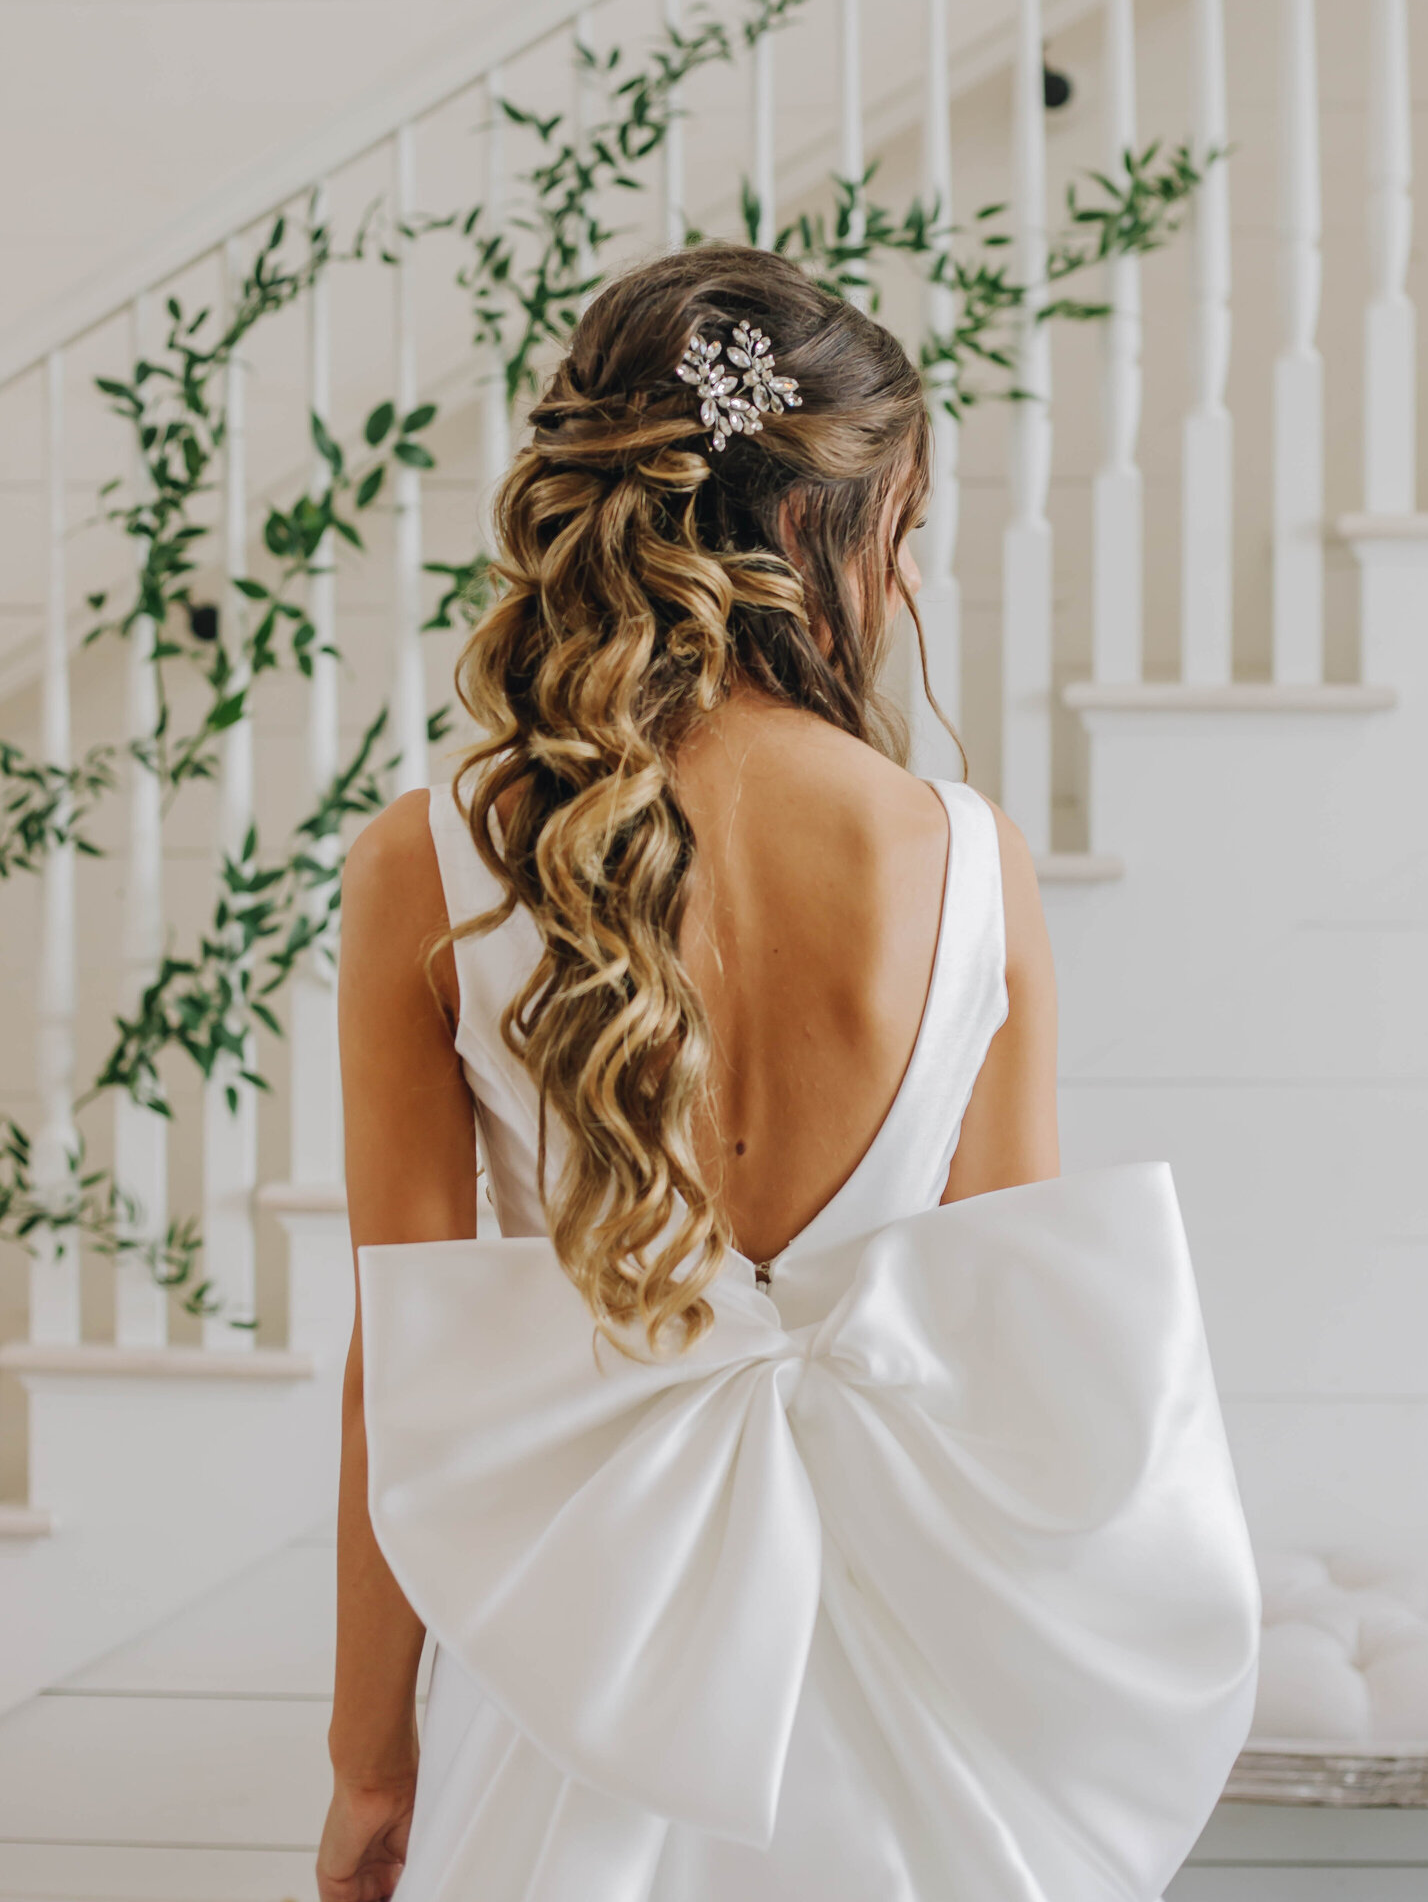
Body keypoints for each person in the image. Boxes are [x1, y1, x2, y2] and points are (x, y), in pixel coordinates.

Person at [316, 246, 1259, 1902]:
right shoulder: (968, 860)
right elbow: (1009, 1349)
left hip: (577, 1676)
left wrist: (369, 1765)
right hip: (907, 1696)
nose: (903, 589)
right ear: (838, 528)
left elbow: (394, 1378)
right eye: (906, 537)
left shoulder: (426, 866)